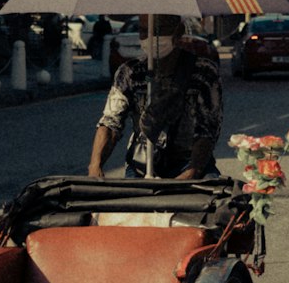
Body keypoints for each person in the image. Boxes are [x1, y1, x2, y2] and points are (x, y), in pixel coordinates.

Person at [87, 13, 223, 180]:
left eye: (159, 30)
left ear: (178, 31)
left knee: (215, 200)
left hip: (190, 163)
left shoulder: (203, 72)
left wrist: (191, 173)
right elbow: (110, 122)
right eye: (144, 31)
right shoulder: (129, 73)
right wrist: (95, 166)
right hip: (142, 163)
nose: (150, 37)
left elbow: (207, 129)